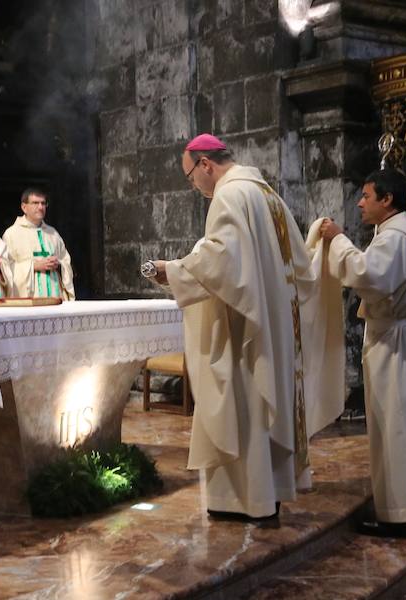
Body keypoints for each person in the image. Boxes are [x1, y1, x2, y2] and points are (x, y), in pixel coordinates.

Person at [148, 134, 345, 521]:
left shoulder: (230, 194)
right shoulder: (265, 191)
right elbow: (291, 261)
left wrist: (170, 271)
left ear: (206, 164)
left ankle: (246, 500)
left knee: (245, 403)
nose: (194, 185)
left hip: (245, 326)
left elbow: (221, 260)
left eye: (190, 176)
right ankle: (267, 494)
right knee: (259, 403)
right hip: (272, 319)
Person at [319, 168, 406, 538]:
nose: (360, 203)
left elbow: (368, 277)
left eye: (366, 196)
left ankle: (401, 516)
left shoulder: (393, 238)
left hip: (397, 344)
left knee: (399, 426)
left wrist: (339, 240)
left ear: (387, 199)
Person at [2, 189, 75, 300]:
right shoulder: (11, 234)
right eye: (35, 203)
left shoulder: (53, 233)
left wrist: (59, 265)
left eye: (43, 203)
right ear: (24, 207)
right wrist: (33, 267)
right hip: (29, 301)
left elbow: (66, 262)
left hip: (56, 297)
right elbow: (5, 269)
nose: (41, 207)